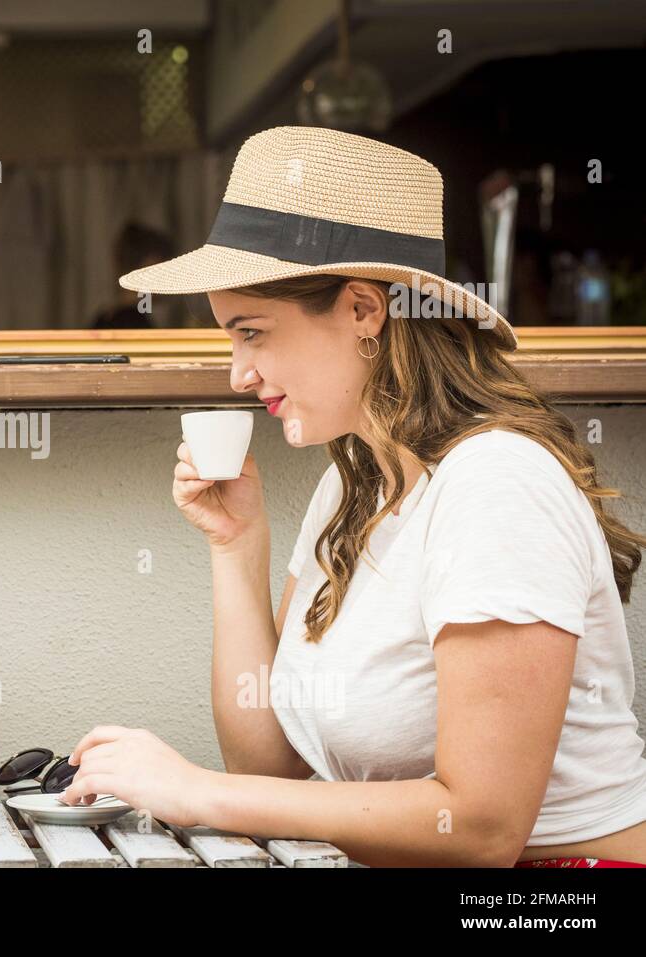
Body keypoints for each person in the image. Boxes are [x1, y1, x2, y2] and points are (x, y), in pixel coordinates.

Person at [60, 126, 646, 867]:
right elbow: (271, 770)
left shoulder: (497, 484)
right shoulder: (354, 485)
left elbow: (481, 826)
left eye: (252, 332)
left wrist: (195, 792)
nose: (237, 373)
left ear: (364, 310)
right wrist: (238, 548)